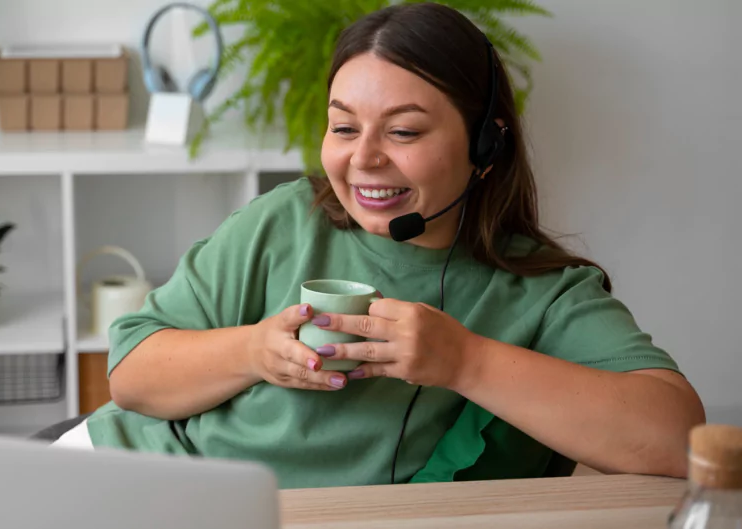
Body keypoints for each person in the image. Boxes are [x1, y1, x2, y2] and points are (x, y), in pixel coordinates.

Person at [54, 2, 706, 488]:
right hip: (132, 470)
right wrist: (252, 349)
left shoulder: (539, 289)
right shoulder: (285, 219)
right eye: (343, 126)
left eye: (403, 132)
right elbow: (131, 373)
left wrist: (464, 361)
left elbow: (677, 438)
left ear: (486, 147)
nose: (363, 159)